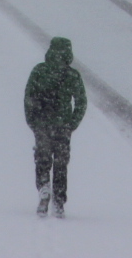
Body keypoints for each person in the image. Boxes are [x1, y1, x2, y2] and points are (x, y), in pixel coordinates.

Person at [24, 36, 87, 218]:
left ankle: (44, 187)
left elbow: (29, 97)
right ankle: (59, 201)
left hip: (42, 124)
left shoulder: (39, 71)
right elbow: (81, 101)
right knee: (61, 164)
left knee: (42, 159)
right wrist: (72, 123)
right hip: (63, 126)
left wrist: (32, 122)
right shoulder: (72, 75)